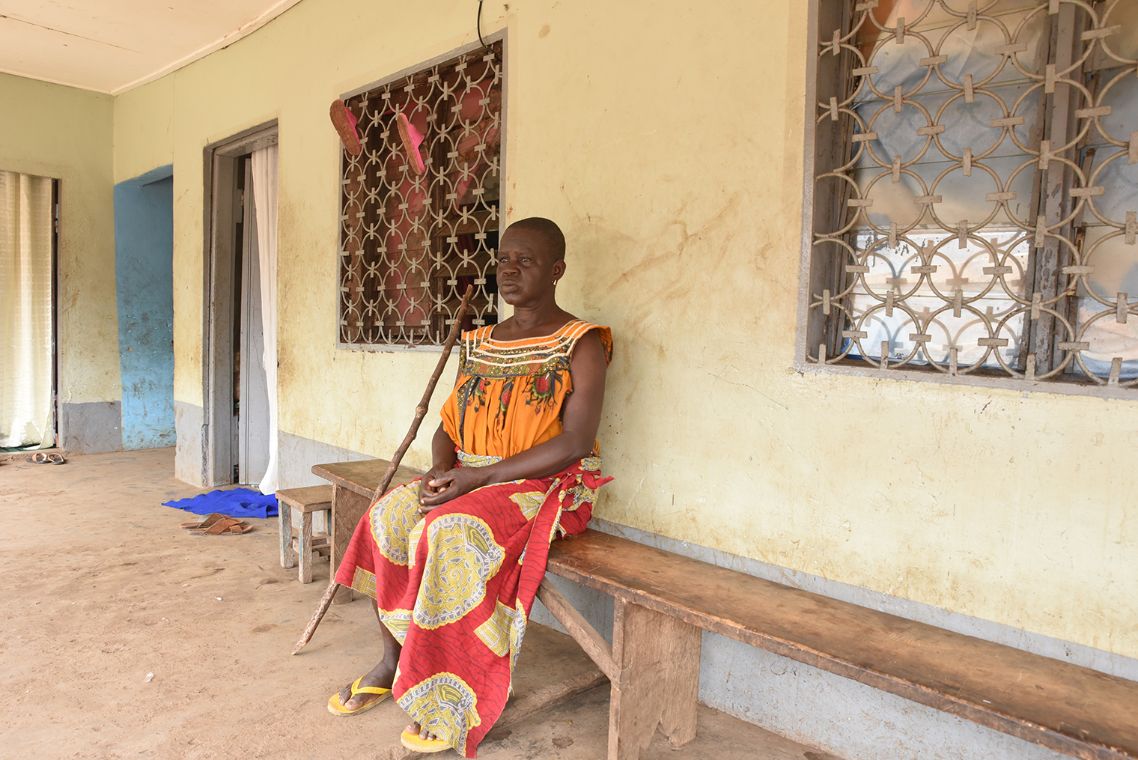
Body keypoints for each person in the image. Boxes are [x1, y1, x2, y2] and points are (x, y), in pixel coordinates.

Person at [326, 217, 613, 757]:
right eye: (503, 259)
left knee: (450, 530)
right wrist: (440, 470)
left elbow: (576, 441)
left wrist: (476, 479)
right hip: (468, 474)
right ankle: (392, 662)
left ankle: (447, 697)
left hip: (544, 483)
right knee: (387, 516)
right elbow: (448, 425)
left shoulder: (582, 342)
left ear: (557, 271)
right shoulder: (479, 342)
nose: (508, 270)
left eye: (525, 261)